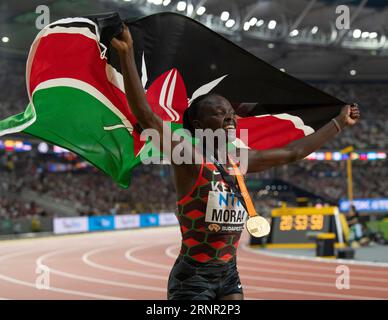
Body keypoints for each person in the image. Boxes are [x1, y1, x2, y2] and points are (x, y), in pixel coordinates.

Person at [110, 24, 360, 300]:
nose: (229, 118)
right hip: (193, 278)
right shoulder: (189, 157)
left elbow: (293, 153)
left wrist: (338, 122)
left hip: (229, 274)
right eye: (219, 113)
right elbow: (147, 117)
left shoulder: (237, 161)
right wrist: (127, 53)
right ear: (197, 123)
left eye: (231, 113)